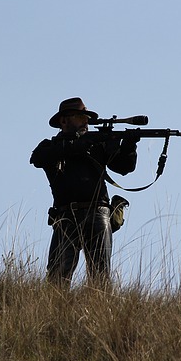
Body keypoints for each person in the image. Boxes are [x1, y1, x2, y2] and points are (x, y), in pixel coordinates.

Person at [30, 97, 139, 289]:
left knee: (100, 275)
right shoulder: (51, 146)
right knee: (57, 276)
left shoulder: (96, 145)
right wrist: (74, 147)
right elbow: (38, 158)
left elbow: (123, 167)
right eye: (81, 117)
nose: (86, 121)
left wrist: (129, 146)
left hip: (98, 213)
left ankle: (101, 314)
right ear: (64, 121)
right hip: (65, 215)